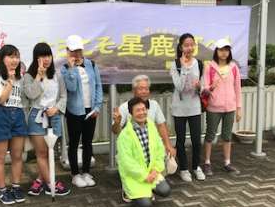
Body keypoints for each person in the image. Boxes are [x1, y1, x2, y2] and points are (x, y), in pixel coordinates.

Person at [24, 42, 70, 196]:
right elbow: (31, 94)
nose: (46, 59)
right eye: (42, 56)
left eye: (48, 55)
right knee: (42, 153)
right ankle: (52, 184)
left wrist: (56, 108)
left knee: (50, 152)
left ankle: (39, 180)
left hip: (54, 117)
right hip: (36, 117)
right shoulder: (29, 76)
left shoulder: (57, 75)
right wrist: (39, 76)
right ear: (36, 58)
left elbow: (63, 96)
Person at [60, 35, 103, 188]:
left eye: (79, 50)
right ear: (68, 51)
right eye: (73, 51)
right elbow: (71, 88)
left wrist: (97, 107)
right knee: (73, 143)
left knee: (87, 142)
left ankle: (86, 172)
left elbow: (98, 85)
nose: (76, 54)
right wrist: (72, 69)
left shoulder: (91, 64)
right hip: (74, 111)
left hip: (91, 110)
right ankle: (75, 174)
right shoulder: (65, 69)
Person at [0, 44, 28, 205]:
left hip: (18, 114)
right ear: (2, 58)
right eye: (11, 56)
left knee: (17, 156)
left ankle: (16, 187)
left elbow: (25, 98)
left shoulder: (20, 76)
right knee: (0, 157)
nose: (14, 60)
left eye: (17, 57)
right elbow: (1, 99)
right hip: (1, 114)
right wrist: (10, 81)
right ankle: (3, 190)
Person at [117, 97, 171, 207]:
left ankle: (147, 192)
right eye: (138, 110)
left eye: (143, 109)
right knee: (146, 206)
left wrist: (156, 170)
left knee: (165, 190)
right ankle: (129, 193)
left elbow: (159, 150)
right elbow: (127, 162)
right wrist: (145, 176)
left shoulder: (151, 127)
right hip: (135, 177)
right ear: (131, 113)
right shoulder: (125, 135)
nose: (142, 113)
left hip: (151, 172)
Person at [111, 74, 176, 158]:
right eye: (141, 89)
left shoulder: (154, 105)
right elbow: (115, 131)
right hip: (131, 151)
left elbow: (161, 126)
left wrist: (168, 145)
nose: (144, 91)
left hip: (153, 150)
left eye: (146, 89)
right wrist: (117, 123)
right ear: (133, 90)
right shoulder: (124, 107)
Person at [202, 38, 242, 175]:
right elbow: (204, 88)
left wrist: (238, 108)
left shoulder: (234, 67)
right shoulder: (209, 67)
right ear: (216, 51)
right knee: (210, 135)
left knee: (227, 136)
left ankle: (227, 163)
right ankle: (207, 163)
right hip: (214, 107)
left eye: (226, 50)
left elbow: (238, 89)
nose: (224, 53)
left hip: (230, 107)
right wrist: (210, 87)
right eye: (221, 50)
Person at [170, 33, 205, 183]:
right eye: (186, 45)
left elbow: (202, 88)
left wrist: (200, 87)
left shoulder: (200, 64)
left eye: (192, 44)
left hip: (194, 107)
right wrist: (184, 68)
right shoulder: (175, 64)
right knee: (181, 140)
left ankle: (196, 167)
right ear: (181, 47)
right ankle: (184, 169)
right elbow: (179, 87)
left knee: (197, 140)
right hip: (179, 108)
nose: (189, 48)